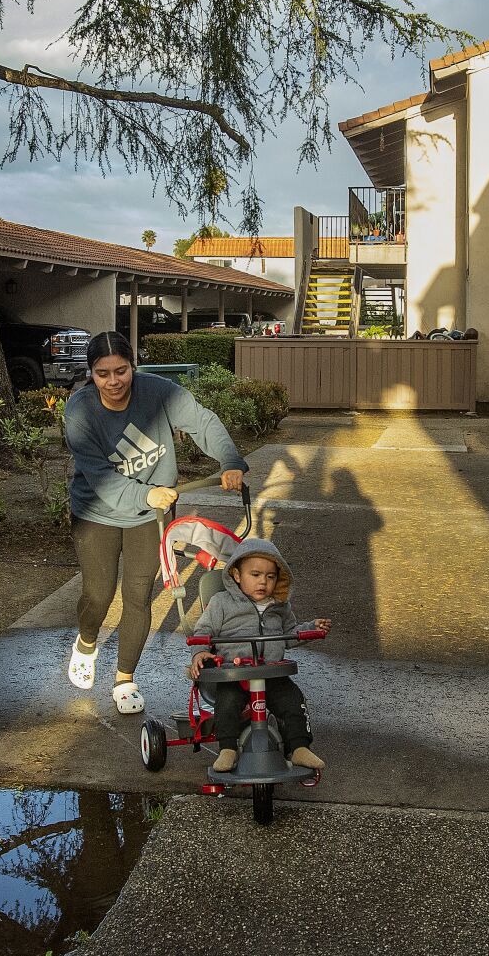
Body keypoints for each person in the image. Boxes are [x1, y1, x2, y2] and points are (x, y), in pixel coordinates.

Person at [62, 330, 247, 714]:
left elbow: (203, 422)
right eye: (102, 373)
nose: (113, 381)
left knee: (138, 593)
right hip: (97, 512)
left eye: (121, 370)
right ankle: (86, 640)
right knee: (98, 594)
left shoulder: (159, 392)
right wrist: (146, 493)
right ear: (90, 374)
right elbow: (99, 476)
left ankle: (125, 679)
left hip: (152, 516)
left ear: (134, 366)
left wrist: (228, 460)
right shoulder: (80, 410)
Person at [189, 536, 329, 773]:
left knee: (292, 700)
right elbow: (203, 630)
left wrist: (310, 630)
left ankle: (298, 748)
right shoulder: (222, 602)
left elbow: (289, 634)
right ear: (236, 575)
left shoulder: (279, 606)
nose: (263, 581)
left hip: (270, 671)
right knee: (228, 702)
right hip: (234, 672)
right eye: (255, 575)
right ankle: (228, 749)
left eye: (270, 576)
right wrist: (200, 651)